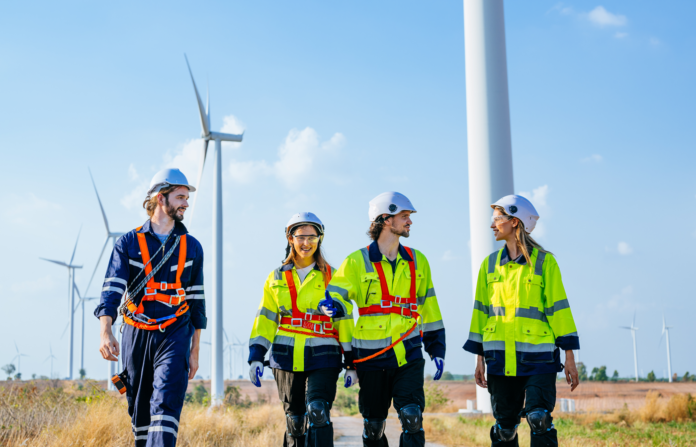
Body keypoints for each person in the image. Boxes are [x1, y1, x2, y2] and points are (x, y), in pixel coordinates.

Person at [95, 168, 205, 447]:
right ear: (160, 197)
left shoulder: (192, 246)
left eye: (187, 198)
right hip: (136, 332)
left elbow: (197, 303)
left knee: (166, 402)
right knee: (140, 409)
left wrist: (194, 350)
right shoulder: (128, 243)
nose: (186, 203)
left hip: (176, 331)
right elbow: (111, 290)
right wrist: (105, 331)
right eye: (180, 197)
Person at [326, 192, 446, 447]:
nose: (409, 222)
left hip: (409, 352)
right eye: (404, 216)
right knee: (374, 427)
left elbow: (429, 307)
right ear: (385, 219)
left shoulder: (418, 261)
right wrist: (331, 306)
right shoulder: (357, 261)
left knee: (412, 417)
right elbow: (336, 294)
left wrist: (437, 348)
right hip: (371, 356)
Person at [463, 195, 580, 447]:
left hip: (539, 360)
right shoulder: (489, 265)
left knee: (539, 419)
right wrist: (479, 359)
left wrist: (570, 357)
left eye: (497, 219)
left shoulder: (545, 263)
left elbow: (559, 310)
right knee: (505, 429)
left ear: (515, 222)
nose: (492, 225)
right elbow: (480, 313)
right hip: (500, 359)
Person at [247, 212, 355, 447]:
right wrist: (256, 356)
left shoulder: (334, 276)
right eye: (300, 237)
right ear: (290, 238)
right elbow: (265, 319)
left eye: (312, 237)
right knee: (295, 421)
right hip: (285, 356)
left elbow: (345, 319)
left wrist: (351, 363)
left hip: (324, 355)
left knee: (318, 411)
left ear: (320, 239)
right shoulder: (276, 277)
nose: (306, 243)